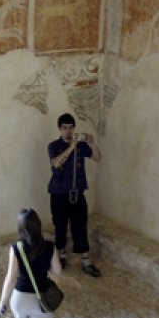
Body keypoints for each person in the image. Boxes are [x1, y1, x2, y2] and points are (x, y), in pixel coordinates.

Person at [47, 112, 103, 277]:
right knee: (60, 226)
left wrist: (92, 144)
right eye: (65, 128)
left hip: (77, 193)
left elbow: (98, 158)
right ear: (60, 129)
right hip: (59, 193)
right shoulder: (53, 146)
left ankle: (86, 261)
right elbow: (56, 163)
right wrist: (71, 147)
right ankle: (62, 256)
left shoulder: (81, 146)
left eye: (71, 127)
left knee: (80, 226)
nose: (68, 131)